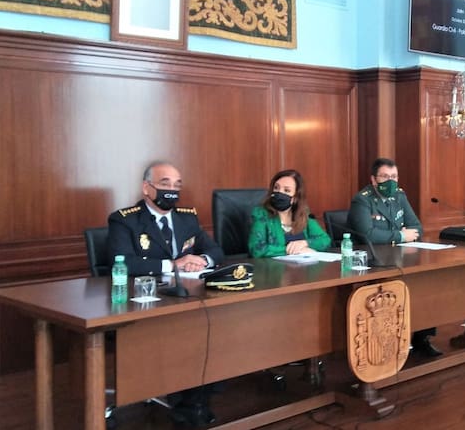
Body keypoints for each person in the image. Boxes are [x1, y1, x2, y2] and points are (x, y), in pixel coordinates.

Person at [107, 161, 224, 426]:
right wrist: (173, 264)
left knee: (213, 323)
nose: (172, 190)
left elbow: (216, 251)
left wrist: (202, 260)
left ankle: (196, 399)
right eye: (164, 183)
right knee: (186, 330)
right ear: (146, 187)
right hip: (143, 300)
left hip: (185, 297)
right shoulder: (124, 220)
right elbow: (122, 261)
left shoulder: (187, 218)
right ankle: (188, 404)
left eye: (177, 185)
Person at [347, 157, 442, 358]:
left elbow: (416, 226)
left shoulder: (399, 196)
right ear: (374, 180)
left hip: (399, 256)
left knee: (425, 283)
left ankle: (422, 338)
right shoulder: (362, 200)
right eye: (385, 176)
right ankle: (387, 342)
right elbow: (367, 235)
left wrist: (404, 235)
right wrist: (400, 236)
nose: (390, 181)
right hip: (372, 261)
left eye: (394, 176)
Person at [248, 169, 331, 258]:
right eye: (276, 188)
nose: (279, 192)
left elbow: (325, 240)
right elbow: (256, 249)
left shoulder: (303, 214)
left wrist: (305, 243)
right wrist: (291, 250)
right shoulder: (261, 214)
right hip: (273, 266)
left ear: (295, 198)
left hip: (302, 265)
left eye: (286, 190)